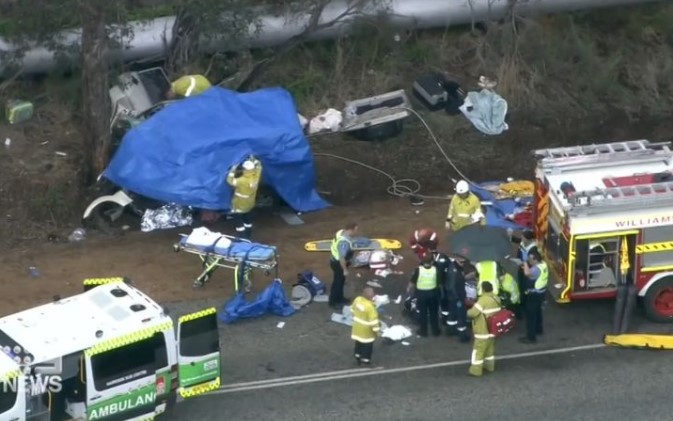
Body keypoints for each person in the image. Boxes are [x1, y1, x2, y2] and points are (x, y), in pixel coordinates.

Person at [466, 281, 501, 377]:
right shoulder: (496, 298)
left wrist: (468, 310)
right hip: (492, 330)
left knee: (478, 351)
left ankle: (476, 370)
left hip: (482, 330)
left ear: (483, 289)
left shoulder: (483, 300)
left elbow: (472, 313)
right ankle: (490, 366)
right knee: (489, 350)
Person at [226, 156, 263, 239]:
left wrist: (233, 169)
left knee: (239, 223)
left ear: (244, 169)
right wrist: (253, 159)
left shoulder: (241, 180)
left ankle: (242, 238)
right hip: (249, 204)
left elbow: (229, 180)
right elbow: (259, 166)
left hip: (239, 204)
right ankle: (248, 235)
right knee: (247, 221)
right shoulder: (256, 177)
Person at [407, 252, 442, 337]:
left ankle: (423, 331)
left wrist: (408, 289)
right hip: (433, 294)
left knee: (423, 313)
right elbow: (439, 283)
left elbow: (412, 282)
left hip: (421, 295)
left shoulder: (418, 270)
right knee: (434, 313)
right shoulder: (435, 270)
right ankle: (435, 331)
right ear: (432, 261)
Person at [519, 250, 548, 344]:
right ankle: (539, 329)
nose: (529, 261)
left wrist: (524, 263)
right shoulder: (543, 264)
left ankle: (531, 337)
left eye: (530, 259)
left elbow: (527, 274)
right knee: (538, 312)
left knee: (530, 315)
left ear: (535, 259)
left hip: (534, 295)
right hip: (541, 293)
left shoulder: (535, 270)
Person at [329, 223, 358, 308]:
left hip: (335, 261)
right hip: (338, 264)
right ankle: (334, 302)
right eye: (356, 230)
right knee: (338, 283)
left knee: (340, 282)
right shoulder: (343, 242)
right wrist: (345, 270)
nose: (356, 232)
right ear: (351, 229)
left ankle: (340, 298)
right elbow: (342, 258)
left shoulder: (341, 232)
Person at [350, 287, 381, 366]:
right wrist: (377, 331)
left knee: (358, 342)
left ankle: (357, 356)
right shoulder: (370, 307)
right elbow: (373, 322)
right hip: (367, 332)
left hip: (357, 328)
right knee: (367, 346)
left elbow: (352, 309)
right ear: (371, 297)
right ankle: (365, 360)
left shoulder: (357, 300)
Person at [445, 256, 470, 343]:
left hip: (454, 296)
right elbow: (452, 285)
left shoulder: (455, 267)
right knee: (461, 315)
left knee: (452, 313)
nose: (463, 264)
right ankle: (462, 335)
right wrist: (457, 298)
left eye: (464, 262)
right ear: (456, 259)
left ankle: (450, 330)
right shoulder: (454, 270)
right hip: (457, 296)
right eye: (461, 262)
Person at [516, 229, 539, 313]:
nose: (522, 239)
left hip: (527, 271)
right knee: (521, 286)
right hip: (521, 269)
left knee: (526, 288)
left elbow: (533, 263)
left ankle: (526, 305)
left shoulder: (533, 249)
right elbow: (518, 244)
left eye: (523, 237)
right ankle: (522, 302)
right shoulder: (523, 243)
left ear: (528, 239)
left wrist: (525, 265)